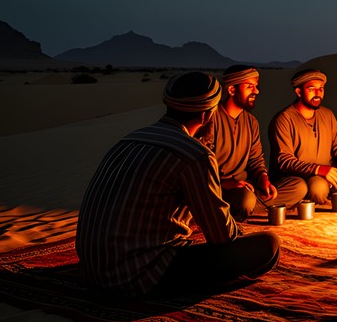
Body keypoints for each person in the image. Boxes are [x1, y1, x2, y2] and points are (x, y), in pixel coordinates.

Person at [76, 72, 281, 298]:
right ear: (206, 115)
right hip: (136, 276)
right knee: (268, 245)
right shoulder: (194, 154)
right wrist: (239, 233)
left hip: (92, 269)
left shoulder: (129, 139)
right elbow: (221, 236)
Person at [268, 68, 337, 206]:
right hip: (306, 177)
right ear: (298, 92)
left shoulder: (327, 114)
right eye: (311, 89)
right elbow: (285, 161)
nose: (318, 93)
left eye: (321, 88)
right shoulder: (284, 119)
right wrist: (319, 170)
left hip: (331, 172)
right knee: (318, 187)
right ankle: (332, 196)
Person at [196, 65, 278, 222]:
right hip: (218, 189)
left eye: (256, 86)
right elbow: (200, 164)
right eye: (249, 87)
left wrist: (263, 178)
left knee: (295, 190)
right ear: (232, 90)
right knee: (246, 200)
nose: (256, 91)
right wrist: (226, 183)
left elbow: (256, 160)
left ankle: (243, 209)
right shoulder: (211, 119)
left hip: (245, 186)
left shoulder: (251, 122)